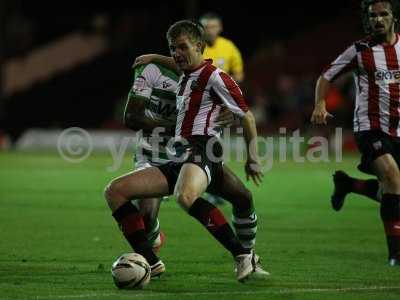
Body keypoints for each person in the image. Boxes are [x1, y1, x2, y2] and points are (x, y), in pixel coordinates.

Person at [105, 20, 268, 282]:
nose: (177, 53)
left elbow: (246, 116)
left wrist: (253, 158)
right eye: (173, 48)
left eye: (183, 47)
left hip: (204, 149)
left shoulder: (215, 76)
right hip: (182, 155)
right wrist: (156, 57)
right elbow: (182, 64)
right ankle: (152, 262)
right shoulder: (187, 76)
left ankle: (242, 255)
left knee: (185, 196)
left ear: (200, 47)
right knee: (115, 191)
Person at [311, 0, 400, 266]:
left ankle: (349, 184)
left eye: (384, 14)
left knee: (393, 191)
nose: (378, 19)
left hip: (397, 129)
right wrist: (320, 103)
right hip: (369, 127)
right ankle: (395, 253)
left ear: (394, 17)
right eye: (373, 15)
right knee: (394, 178)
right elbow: (326, 77)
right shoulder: (359, 50)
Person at [199, 12, 244, 83]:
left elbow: (239, 75)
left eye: (213, 27)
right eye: (206, 27)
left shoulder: (229, 46)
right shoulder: (194, 47)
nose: (210, 31)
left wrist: (225, 82)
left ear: (220, 27)